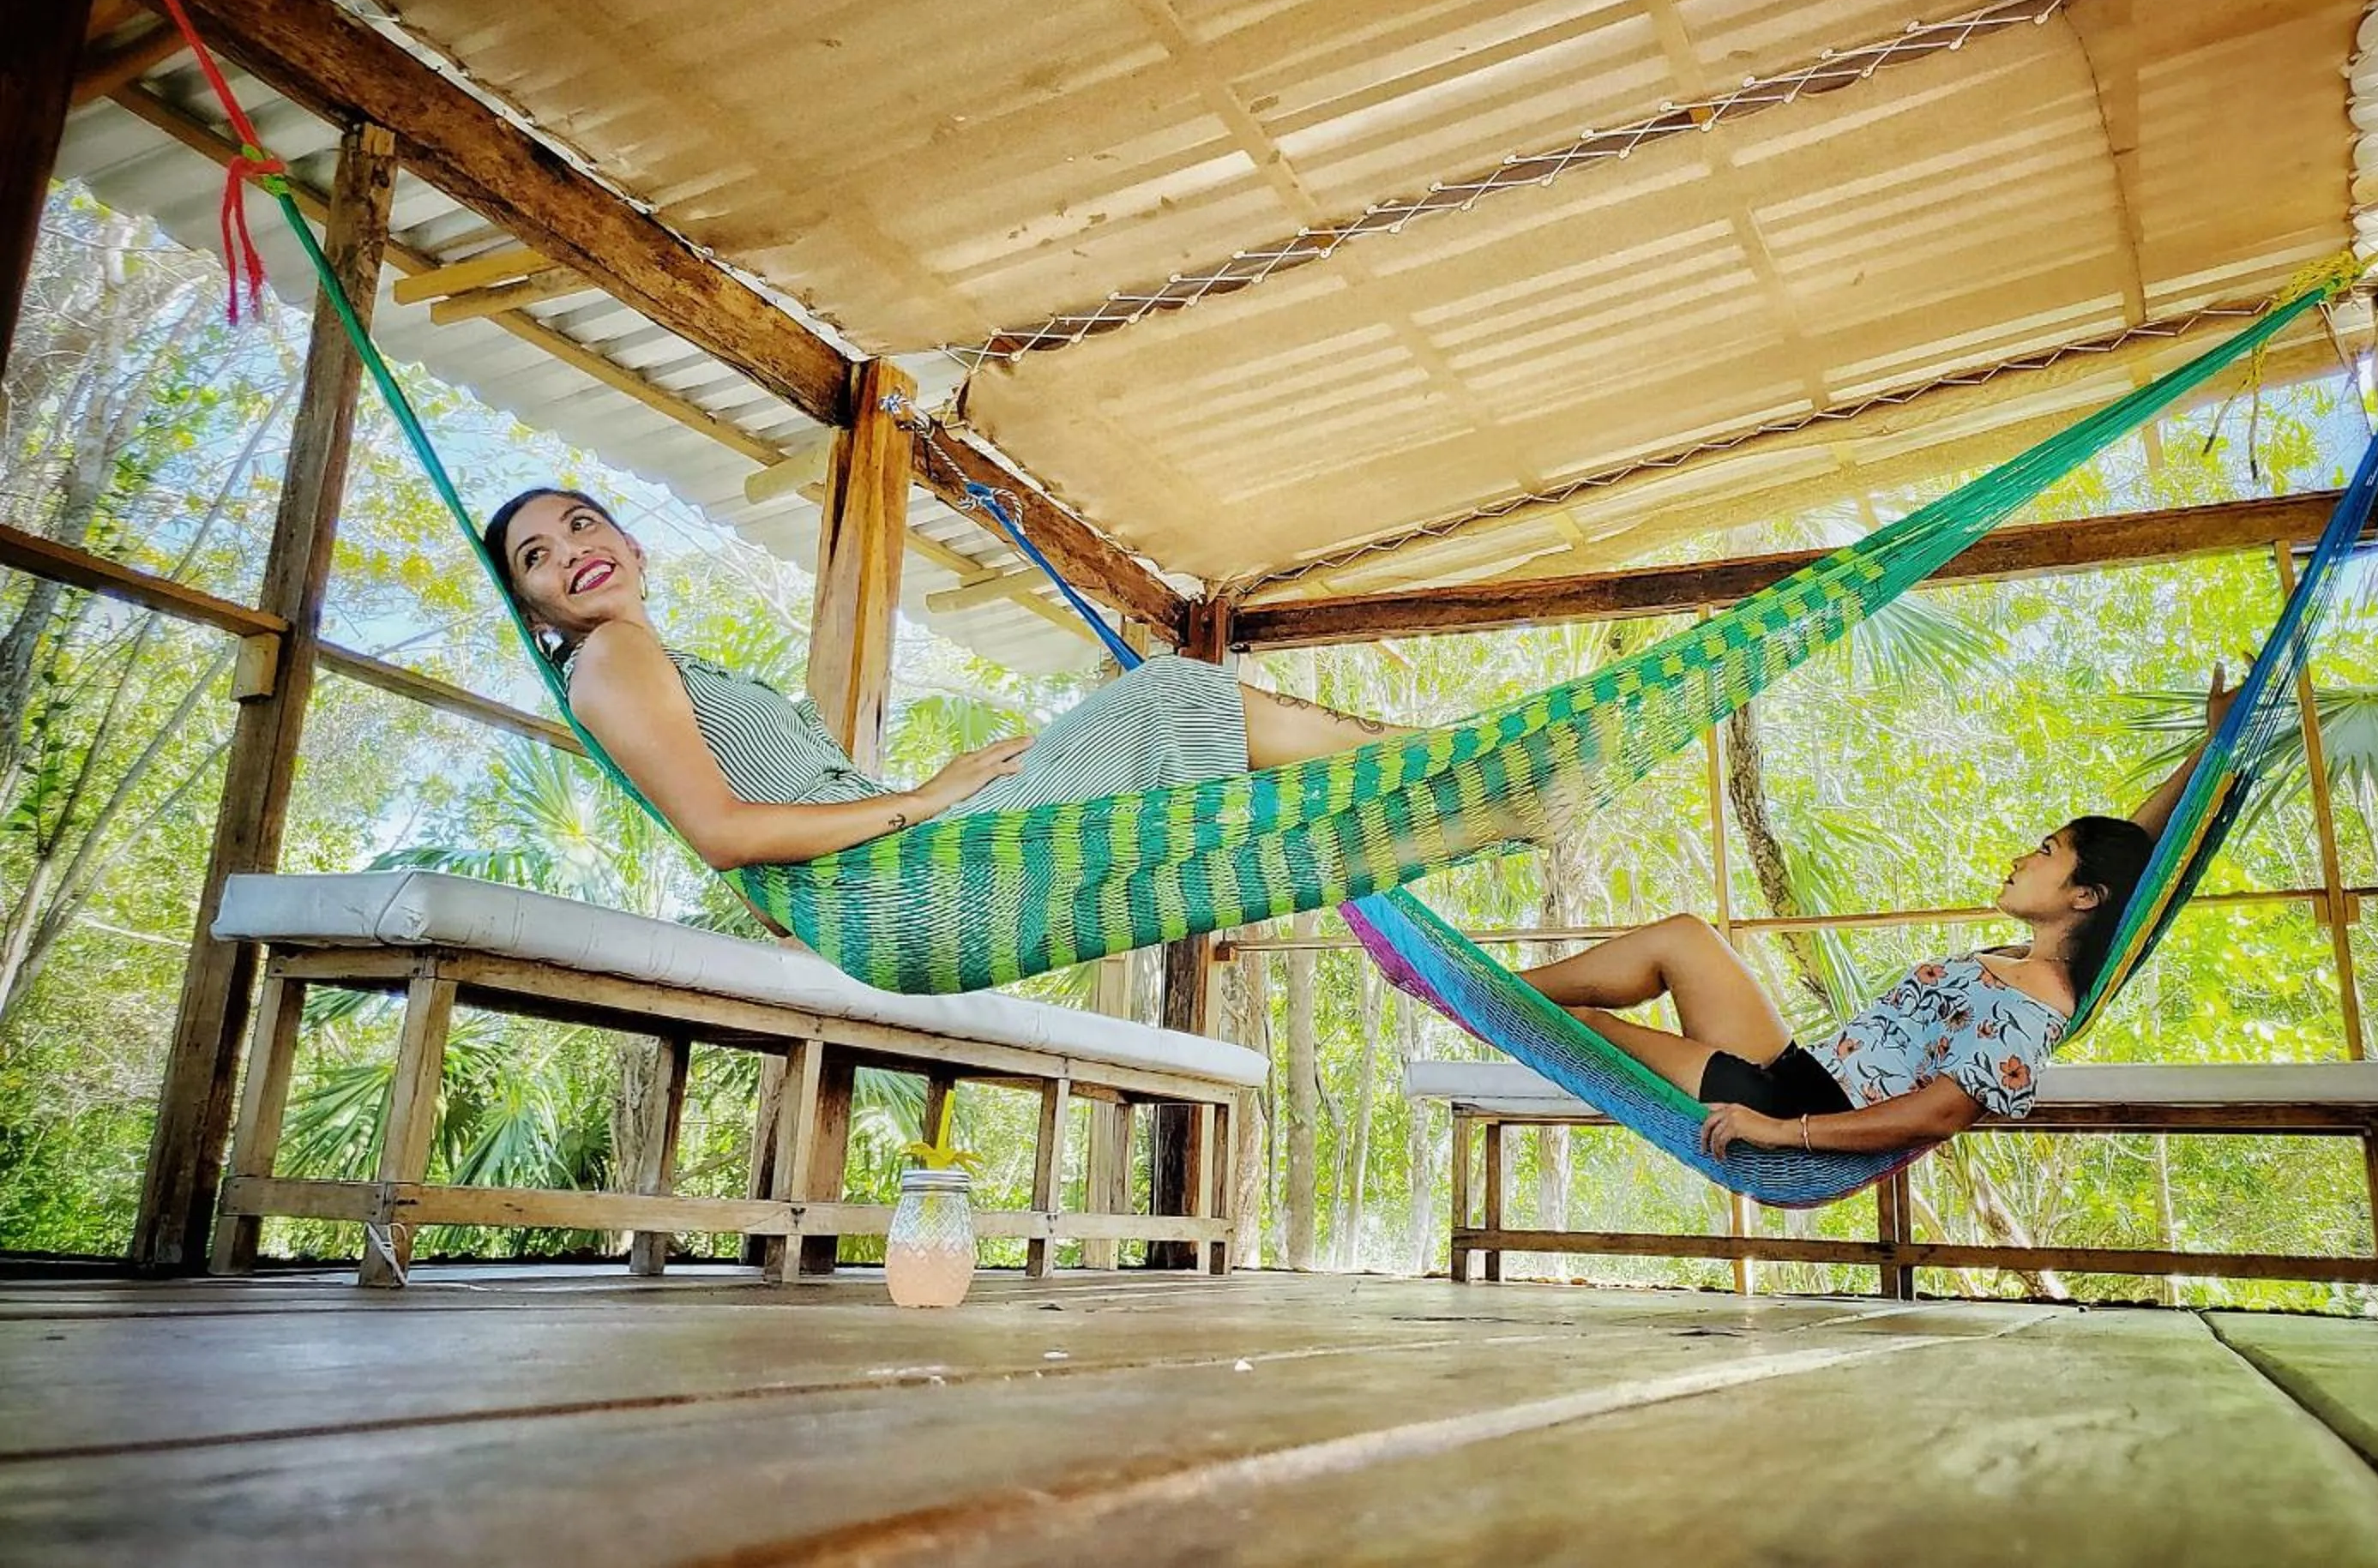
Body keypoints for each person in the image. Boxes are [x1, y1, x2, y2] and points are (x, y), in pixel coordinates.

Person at [480, 488, 1408, 872]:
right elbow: (722, 834)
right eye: (538, 556)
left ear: (631, 543)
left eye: (584, 525)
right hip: (894, 871)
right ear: (533, 607)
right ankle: (1427, 764)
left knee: (1178, 708)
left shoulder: (647, 658)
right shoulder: (610, 657)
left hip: (893, 853)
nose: (574, 552)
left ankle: (1418, 781)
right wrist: (923, 802)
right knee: (1169, 694)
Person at [1520, 666, 2238, 1159]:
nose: (2023, 858)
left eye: (2045, 852)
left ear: (2083, 897)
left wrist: (1780, 1133)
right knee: (1684, 937)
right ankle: (1498, 985)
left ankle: (1496, 996)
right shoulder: (2024, 962)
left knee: (1580, 1031)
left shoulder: (2036, 1007)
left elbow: (1945, 1113)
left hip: (1790, 1103)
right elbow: (2136, 852)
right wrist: (2209, 751)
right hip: (1797, 1065)